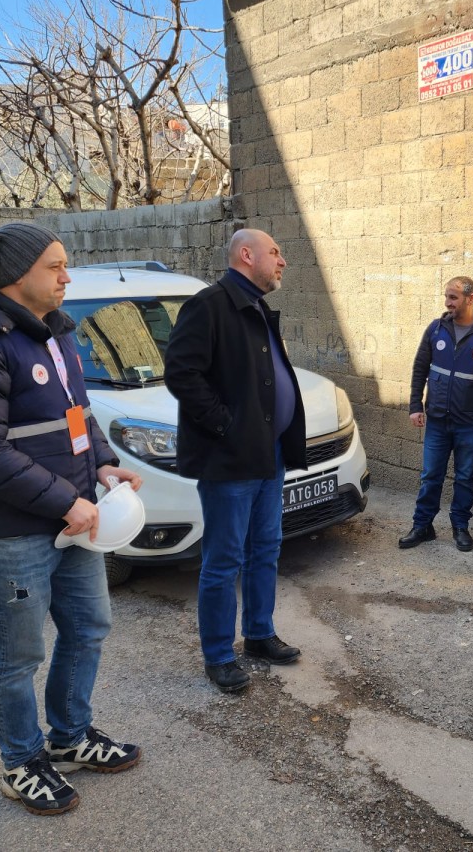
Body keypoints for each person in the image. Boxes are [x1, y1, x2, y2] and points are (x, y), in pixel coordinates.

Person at [0, 223, 143, 816]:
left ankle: (70, 738)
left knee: (88, 627)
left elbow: (78, 414)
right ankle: (22, 762)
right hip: (9, 532)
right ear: (14, 275)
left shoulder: (55, 331)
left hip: (69, 517)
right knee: (18, 654)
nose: (66, 276)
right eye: (55, 266)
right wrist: (66, 502)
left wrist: (103, 465)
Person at [165, 228, 307, 695]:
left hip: (268, 454)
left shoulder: (258, 306)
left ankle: (260, 634)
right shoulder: (209, 305)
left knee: (266, 548)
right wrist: (227, 426)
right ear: (246, 255)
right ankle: (219, 655)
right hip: (229, 460)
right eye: (275, 252)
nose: (282, 261)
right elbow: (182, 374)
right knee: (224, 559)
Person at [399, 277, 473, 552]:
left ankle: (460, 527)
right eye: (447, 296)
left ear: (470, 299)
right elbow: (420, 368)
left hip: (469, 423)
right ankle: (422, 525)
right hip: (437, 420)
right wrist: (415, 405)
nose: (447, 302)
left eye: (453, 297)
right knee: (430, 475)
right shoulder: (436, 329)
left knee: (464, 477)